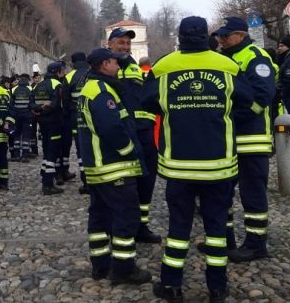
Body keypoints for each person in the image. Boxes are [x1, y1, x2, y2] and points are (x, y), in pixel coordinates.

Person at [145, 17, 254, 303]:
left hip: (178, 165)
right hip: (219, 165)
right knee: (217, 229)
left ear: (179, 37)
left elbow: (145, 102)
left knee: (178, 228)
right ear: (207, 36)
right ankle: (217, 288)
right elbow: (248, 99)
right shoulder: (228, 66)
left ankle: (171, 285)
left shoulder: (163, 66)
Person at [78, 48, 150, 285]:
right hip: (113, 166)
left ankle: (100, 266)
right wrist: (129, 150)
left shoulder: (92, 88)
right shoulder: (101, 91)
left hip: (98, 168)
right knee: (126, 217)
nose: (119, 67)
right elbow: (110, 128)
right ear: (105, 64)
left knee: (99, 217)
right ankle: (124, 269)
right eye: (115, 63)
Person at [213, 17, 277, 263]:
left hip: (252, 139)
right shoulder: (224, 58)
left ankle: (256, 244)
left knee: (252, 194)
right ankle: (224, 240)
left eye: (225, 36)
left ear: (240, 34)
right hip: (228, 139)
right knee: (222, 193)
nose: (221, 40)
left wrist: (228, 117)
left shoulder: (256, 57)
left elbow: (262, 97)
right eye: (220, 36)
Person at [107, 27, 161, 244]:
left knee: (146, 180)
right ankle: (122, 227)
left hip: (143, 132)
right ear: (109, 43)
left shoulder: (132, 66)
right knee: (123, 184)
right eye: (121, 42)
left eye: (128, 43)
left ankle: (141, 226)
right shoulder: (106, 66)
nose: (126, 47)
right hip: (122, 132)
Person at [33, 61, 66, 195]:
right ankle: (48, 184)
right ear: (57, 72)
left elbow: (31, 104)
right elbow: (56, 105)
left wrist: (39, 110)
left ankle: (44, 174)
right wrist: (44, 108)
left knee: (47, 150)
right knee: (52, 152)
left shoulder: (38, 85)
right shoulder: (57, 85)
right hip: (54, 122)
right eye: (62, 71)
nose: (63, 73)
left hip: (42, 123)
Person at [64, 52, 90, 192]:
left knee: (81, 148)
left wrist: (68, 115)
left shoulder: (69, 77)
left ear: (73, 63)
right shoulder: (92, 73)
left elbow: (65, 100)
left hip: (76, 116)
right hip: (93, 114)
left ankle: (86, 181)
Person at [9, 73, 34, 163]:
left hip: (16, 116)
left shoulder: (14, 89)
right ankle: (25, 156)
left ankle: (16, 155)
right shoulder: (30, 89)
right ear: (27, 80)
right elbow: (32, 103)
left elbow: (11, 104)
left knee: (16, 135)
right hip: (27, 116)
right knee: (26, 136)